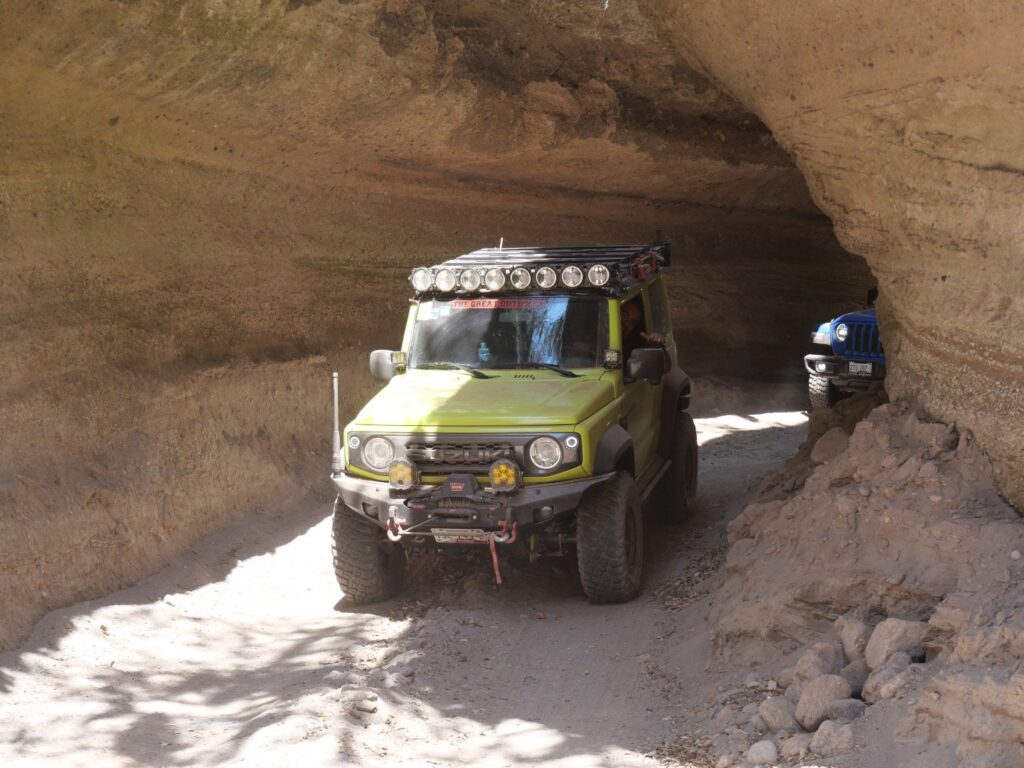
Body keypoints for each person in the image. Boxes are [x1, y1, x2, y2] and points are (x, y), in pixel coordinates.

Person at [621, 298, 669, 371]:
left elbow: (665, 367)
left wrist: (658, 346)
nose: (626, 322)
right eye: (624, 314)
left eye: (632, 322)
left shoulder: (635, 344)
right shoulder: (601, 333)